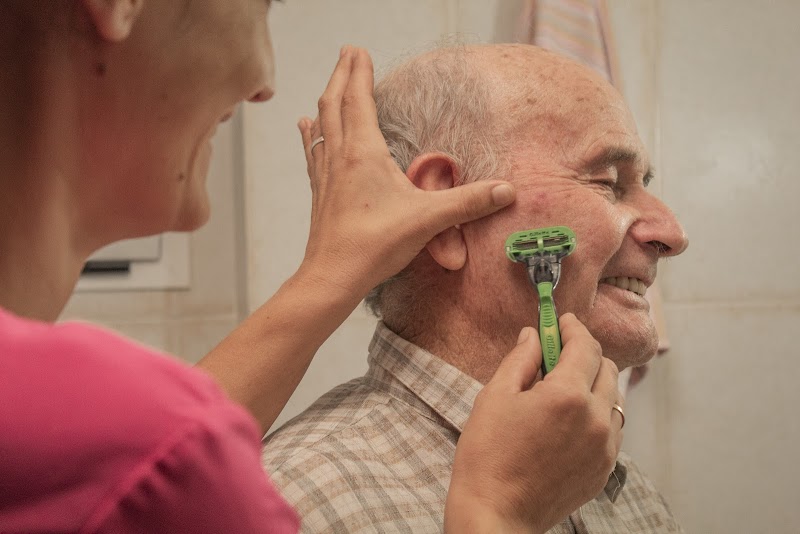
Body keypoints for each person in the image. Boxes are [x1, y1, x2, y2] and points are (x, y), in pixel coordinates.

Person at [1, 2, 621, 533]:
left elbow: (139, 469)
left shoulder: (81, 439)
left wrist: (328, 274)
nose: (264, 82)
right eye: (263, 3)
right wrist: (497, 514)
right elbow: (157, 459)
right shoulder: (284, 483)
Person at [262, 43, 689, 533]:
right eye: (609, 181)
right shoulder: (299, 505)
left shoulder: (622, 491)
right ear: (443, 216)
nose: (671, 234)